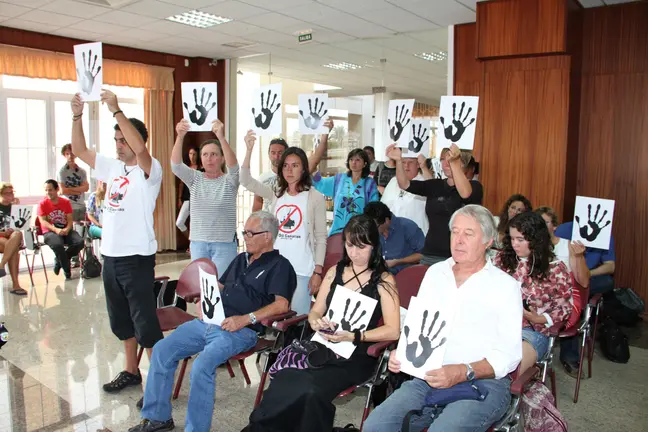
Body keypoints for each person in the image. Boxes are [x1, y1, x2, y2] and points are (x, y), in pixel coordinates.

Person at [130, 211, 297, 432]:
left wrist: (245, 319)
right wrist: (203, 299)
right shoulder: (240, 259)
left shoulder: (280, 266)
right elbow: (219, 287)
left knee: (201, 365)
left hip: (240, 330)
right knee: (162, 350)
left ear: (267, 236)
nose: (244, 236)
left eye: (250, 233)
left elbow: (282, 305)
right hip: (211, 321)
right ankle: (158, 418)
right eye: (244, 232)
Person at [364, 205, 522, 432]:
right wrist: (405, 352)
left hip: (482, 383)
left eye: (468, 234)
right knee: (375, 426)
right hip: (429, 375)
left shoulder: (505, 287)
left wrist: (462, 371)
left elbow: (509, 356)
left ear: (488, 241)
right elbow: (421, 326)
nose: (458, 240)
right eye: (455, 232)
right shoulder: (436, 273)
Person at [245, 214, 400, 432]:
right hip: (323, 343)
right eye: (349, 245)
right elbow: (316, 310)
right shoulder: (334, 272)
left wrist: (354, 335)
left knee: (311, 389)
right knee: (285, 377)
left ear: (374, 246)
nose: (354, 253)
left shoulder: (383, 280)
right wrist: (317, 321)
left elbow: (393, 330)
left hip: (356, 353)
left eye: (361, 247)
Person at [71, 90, 164, 394]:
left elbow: (140, 149)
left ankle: (158, 385)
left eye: (124, 140)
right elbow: (80, 149)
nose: (119, 146)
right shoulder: (113, 168)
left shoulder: (150, 170)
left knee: (146, 325)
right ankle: (131, 371)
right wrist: (76, 115)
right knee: (122, 321)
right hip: (110, 257)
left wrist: (116, 110)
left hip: (136, 259)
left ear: (137, 140)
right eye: (116, 141)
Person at [240, 130, 328, 314]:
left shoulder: (315, 198)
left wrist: (318, 272)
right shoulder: (276, 193)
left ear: (303, 168)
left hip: (302, 270)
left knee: (297, 321)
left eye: (295, 165)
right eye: (286, 166)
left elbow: (320, 238)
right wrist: (248, 150)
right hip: (274, 268)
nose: (289, 170)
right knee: (273, 320)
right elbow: (246, 180)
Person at [493, 212, 573, 373]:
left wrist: (538, 318)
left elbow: (564, 308)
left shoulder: (555, 268)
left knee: (508, 367)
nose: (515, 244)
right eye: (512, 238)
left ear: (536, 239)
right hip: (496, 324)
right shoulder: (501, 260)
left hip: (532, 330)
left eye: (520, 240)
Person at [386, 143, 483, 266]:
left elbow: (465, 194)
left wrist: (454, 164)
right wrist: (399, 161)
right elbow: (405, 184)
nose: (446, 163)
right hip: (431, 253)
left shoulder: (474, 186)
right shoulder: (435, 185)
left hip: (460, 254)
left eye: (451, 160)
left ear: (463, 164)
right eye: (443, 160)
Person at [172, 118, 239, 273]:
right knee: (202, 288)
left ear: (222, 158)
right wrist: (180, 136)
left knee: (221, 289)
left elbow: (234, 167)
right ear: (201, 159)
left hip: (224, 244)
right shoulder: (195, 178)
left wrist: (221, 137)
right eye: (205, 154)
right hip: (198, 244)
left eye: (214, 154)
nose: (209, 158)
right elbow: (176, 166)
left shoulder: (229, 181)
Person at [554, 220, 615, 377]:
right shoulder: (564, 229)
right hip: (564, 275)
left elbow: (610, 266)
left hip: (589, 277)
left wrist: (586, 275)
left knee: (604, 283)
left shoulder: (605, 233)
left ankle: (569, 356)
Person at [313, 149, 379, 236]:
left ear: (365, 164)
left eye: (358, 160)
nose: (354, 162)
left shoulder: (369, 183)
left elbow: (374, 208)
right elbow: (321, 184)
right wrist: (312, 168)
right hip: (338, 230)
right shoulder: (339, 179)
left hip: (360, 232)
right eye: (351, 159)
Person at [37, 179, 84, 280]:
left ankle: (59, 261)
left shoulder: (65, 202)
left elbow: (70, 219)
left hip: (65, 229)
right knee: (58, 245)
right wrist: (55, 230)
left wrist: (67, 228)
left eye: (50, 190)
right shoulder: (42, 204)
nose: (48, 193)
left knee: (80, 242)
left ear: (57, 189)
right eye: (46, 190)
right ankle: (67, 272)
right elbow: (43, 222)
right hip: (50, 232)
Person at [364, 202, 424, 274]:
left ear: (386, 221)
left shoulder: (407, 227)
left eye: (375, 226)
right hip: (381, 273)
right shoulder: (372, 231)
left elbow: (423, 255)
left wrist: (398, 261)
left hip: (405, 274)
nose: (372, 229)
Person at [536, 206, 589, 287]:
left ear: (554, 226)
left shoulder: (568, 246)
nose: (541, 226)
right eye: (538, 222)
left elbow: (584, 282)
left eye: (545, 222)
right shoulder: (530, 246)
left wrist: (579, 257)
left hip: (563, 292)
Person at [381, 154, 430, 235]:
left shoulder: (424, 182)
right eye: (403, 162)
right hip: (393, 235)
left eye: (410, 162)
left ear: (418, 164)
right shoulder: (393, 181)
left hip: (416, 236)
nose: (406, 166)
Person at [0, 182, 26, 294]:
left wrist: (17, 208)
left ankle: (1, 265)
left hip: (12, 238)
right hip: (1, 236)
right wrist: (3, 232)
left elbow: (21, 226)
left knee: (17, 234)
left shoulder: (15, 206)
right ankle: (16, 285)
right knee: (13, 248)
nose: (11, 195)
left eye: (12, 192)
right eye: (7, 193)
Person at [252, 138, 288, 212]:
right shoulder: (262, 179)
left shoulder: (292, 177)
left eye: (280, 153)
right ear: (269, 154)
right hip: (268, 221)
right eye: (273, 153)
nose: (276, 156)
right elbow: (256, 207)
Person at [58, 144, 89, 222]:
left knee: (82, 231)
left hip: (81, 206)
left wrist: (69, 189)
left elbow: (86, 188)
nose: (70, 156)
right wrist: (79, 190)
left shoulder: (82, 171)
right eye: (67, 154)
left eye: (72, 153)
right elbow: (62, 191)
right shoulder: (62, 172)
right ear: (64, 155)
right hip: (69, 207)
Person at [176, 146, 201, 234]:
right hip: (187, 199)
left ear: (198, 155)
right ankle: (191, 242)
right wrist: (179, 198)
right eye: (190, 154)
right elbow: (181, 184)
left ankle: (195, 245)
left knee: (197, 224)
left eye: (194, 154)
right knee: (179, 222)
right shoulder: (186, 168)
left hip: (198, 200)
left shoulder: (201, 169)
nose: (192, 156)